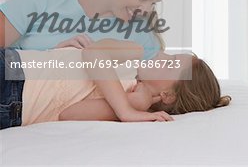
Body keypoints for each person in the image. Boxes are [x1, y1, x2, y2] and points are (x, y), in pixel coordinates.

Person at [0, 0, 179, 123]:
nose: (146, 10)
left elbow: (168, 90)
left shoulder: (143, 39)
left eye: (153, 3)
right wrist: (53, 54)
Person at [0, 39, 232, 130]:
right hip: (15, 70)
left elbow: (70, 114)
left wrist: (132, 105)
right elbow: (93, 52)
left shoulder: (133, 102)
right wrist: (126, 110)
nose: (162, 56)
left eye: (170, 63)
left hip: (14, 108)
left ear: (167, 95)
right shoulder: (135, 52)